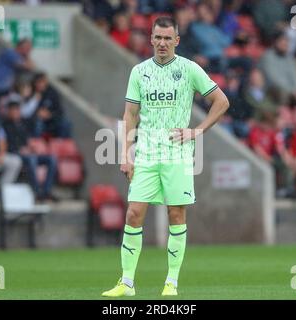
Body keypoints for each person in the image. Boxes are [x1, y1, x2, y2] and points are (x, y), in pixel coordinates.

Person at [102, 16, 229, 297]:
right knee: (134, 214)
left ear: (177, 41)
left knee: (176, 214)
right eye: (157, 38)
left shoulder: (189, 69)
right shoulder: (139, 72)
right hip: (146, 154)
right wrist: (125, 154)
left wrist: (197, 132)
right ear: (151, 39)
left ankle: (171, 282)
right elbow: (130, 114)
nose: (162, 43)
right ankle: (127, 283)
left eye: (167, 38)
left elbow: (222, 101)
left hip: (177, 155)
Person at [2, 101, 58, 201]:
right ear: (9, 111)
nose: (16, 113)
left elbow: (27, 140)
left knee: (52, 159)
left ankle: (46, 191)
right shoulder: (4, 125)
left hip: (28, 152)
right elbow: (4, 144)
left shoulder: (23, 124)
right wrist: (20, 150)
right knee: (31, 159)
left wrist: (32, 147)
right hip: (14, 153)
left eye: (17, 110)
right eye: (13, 110)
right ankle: (37, 191)